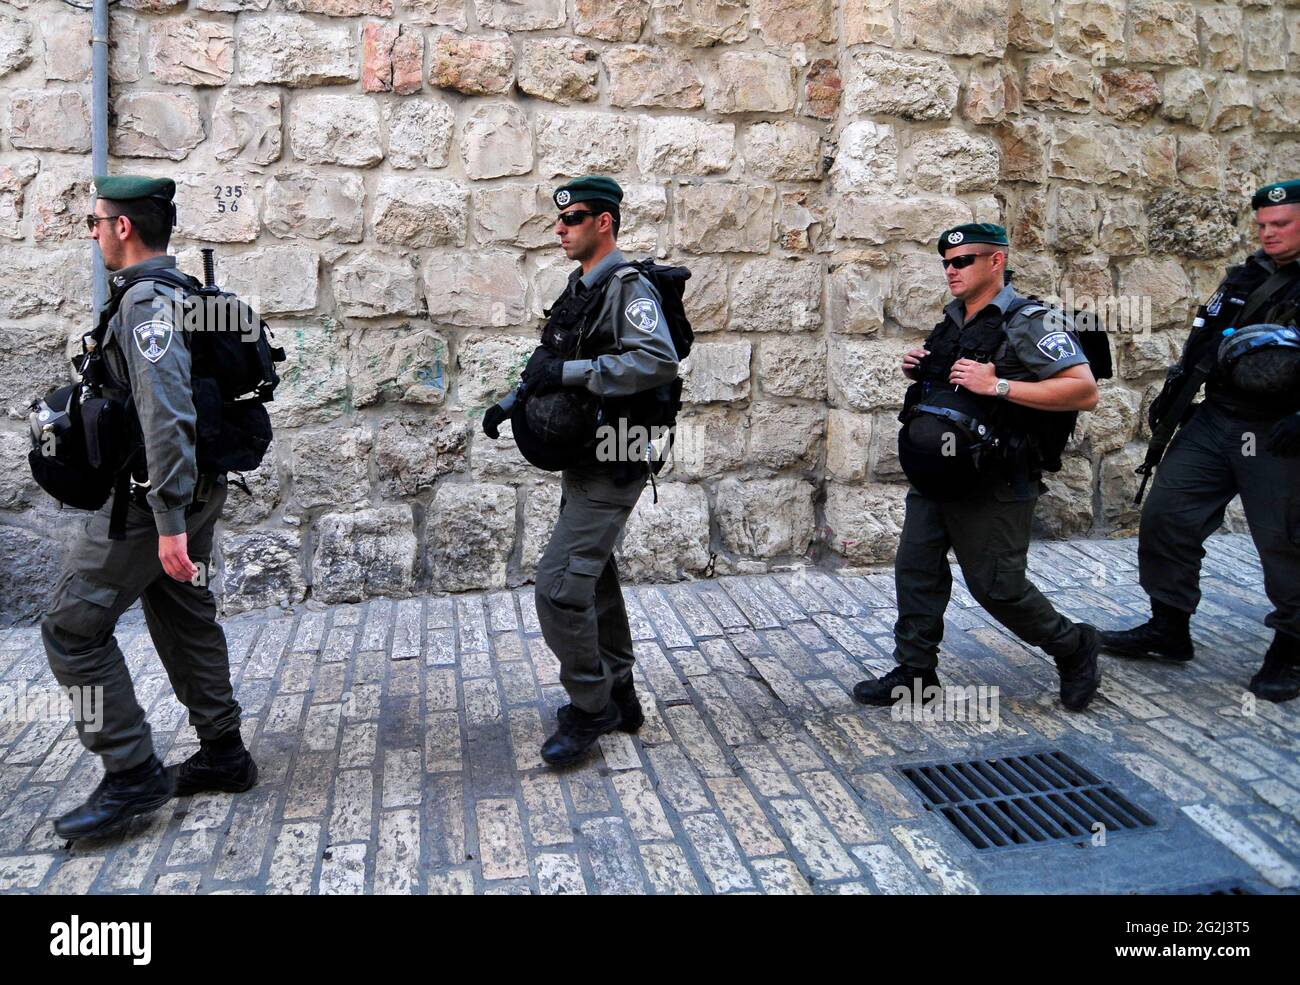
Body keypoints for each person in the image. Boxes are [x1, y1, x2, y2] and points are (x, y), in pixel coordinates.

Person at [40, 174, 256, 840]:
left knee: (71, 629)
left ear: (122, 227)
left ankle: (131, 771)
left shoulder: (146, 306)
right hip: (190, 491)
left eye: (95, 222)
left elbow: (167, 417)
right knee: (182, 611)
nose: (94, 232)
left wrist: (165, 522)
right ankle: (224, 752)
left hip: (150, 501)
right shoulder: (181, 290)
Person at [853, 223, 1103, 713]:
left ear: (996, 261)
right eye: (946, 262)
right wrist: (920, 369)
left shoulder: (1033, 321)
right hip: (938, 474)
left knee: (998, 588)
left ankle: (1073, 646)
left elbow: (1084, 390)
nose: (951, 269)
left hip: (996, 479)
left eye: (963, 260)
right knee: (917, 570)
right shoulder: (953, 319)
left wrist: (1000, 387)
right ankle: (917, 671)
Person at [481, 176, 679, 766]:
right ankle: (619, 693)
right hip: (587, 456)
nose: (561, 229)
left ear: (605, 223)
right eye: (559, 220)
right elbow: (556, 358)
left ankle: (589, 708)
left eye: (574, 219)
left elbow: (656, 360)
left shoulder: (628, 287)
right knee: (593, 578)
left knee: (559, 588)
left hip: (615, 457)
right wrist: (515, 400)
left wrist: (568, 377)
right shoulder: (582, 288)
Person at [1101, 180, 1300, 703]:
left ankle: (1292, 645)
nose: (1268, 233)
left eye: (1281, 224)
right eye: (1261, 225)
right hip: (1216, 419)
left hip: (1278, 431)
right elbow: (1205, 337)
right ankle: (1169, 625)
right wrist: (1176, 391)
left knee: (1284, 540)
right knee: (1168, 514)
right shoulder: (1246, 276)